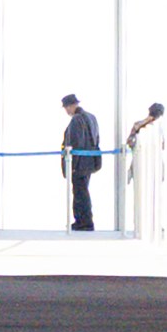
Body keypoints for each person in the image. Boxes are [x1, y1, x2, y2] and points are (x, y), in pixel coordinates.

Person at [60, 93, 102, 231]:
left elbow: (74, 142)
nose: (66, 111)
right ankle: (85, 220)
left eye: (66, 107)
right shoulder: (91, 117)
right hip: (89, 161)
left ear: (71, 106)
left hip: (79, 163)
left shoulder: (77, 120)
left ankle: (84, 222)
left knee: (80, 192)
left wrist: (71, 164)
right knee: (83, 191)